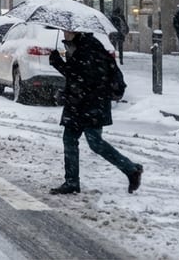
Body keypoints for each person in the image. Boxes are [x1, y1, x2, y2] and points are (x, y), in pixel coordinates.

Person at [48, 31, 143, 195]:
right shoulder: (81, 46)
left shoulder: (89, 48)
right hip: (80, 105)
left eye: (67, 31)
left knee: (95, 143)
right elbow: (77, 76)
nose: (64, 32)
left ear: (76, 31)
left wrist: (58, 63)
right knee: (70, 139)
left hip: (91, 105)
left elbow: (81, 77)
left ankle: (131, 169)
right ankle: (71, 182)